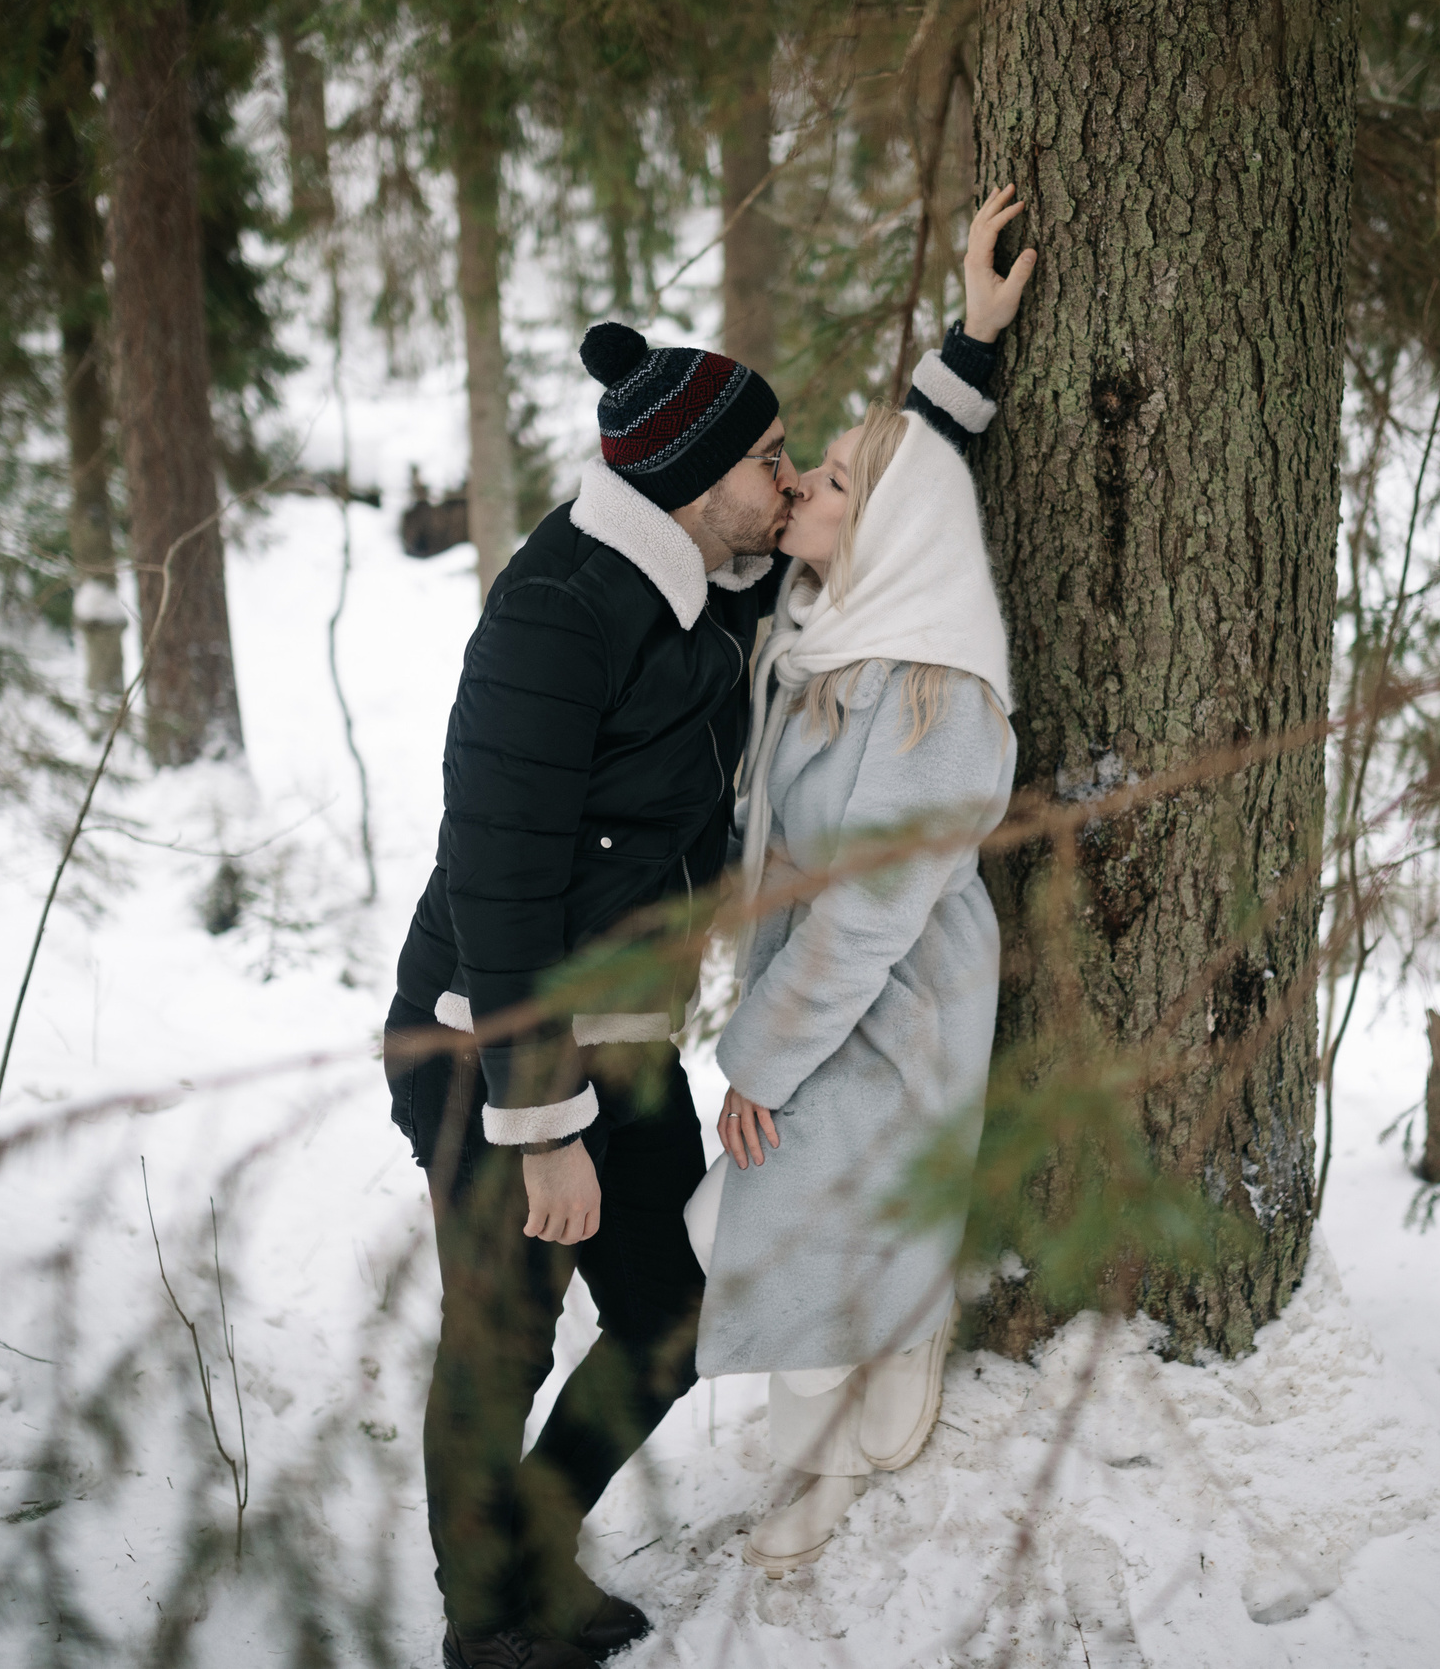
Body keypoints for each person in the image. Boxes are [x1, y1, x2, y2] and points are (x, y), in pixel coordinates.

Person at [383, 322, 797, 1667]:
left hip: (619, 1042)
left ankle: (529, 1550)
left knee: (668, 1317)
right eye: (772, 460)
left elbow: (859, 521)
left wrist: (966, 354)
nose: (789, 482)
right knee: (500, 1347)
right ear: (693, 479)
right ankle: (483, 1628)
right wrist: (543, 1123)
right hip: (488, 1041)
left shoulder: (701, 585)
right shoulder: (559, 610)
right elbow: (499, 880)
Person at [686, 184, 1037, 1575]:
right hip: (818, 981)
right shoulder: (826, 623)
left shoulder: (935, 688)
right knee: (790, 1202)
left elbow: (883, 899)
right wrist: (974, 335)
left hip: (898, 994)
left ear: (880, 527)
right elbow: (920, 453)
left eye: (827, 482)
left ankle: (844, 1431)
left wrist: (761, 1055)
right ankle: (814, 1440)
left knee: (815, 1190)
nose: (805, 490)